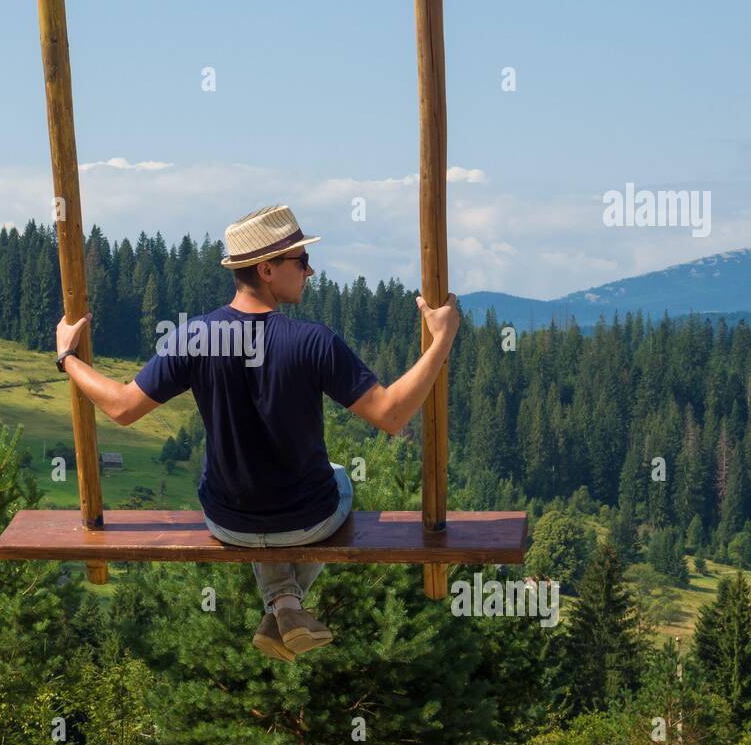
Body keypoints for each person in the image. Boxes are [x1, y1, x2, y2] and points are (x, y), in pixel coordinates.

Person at [54, 204, 460, 661]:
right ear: (267, 269)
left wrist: (67, 358)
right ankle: (286, 602)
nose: (310, 270)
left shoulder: (196, 337)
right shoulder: (313, 341)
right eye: (299, 261)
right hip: (310, 523)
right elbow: (391, 415)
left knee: (251, 492)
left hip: (229, 523)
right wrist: (442, 339)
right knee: (341, 477)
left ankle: (281, 606)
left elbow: (122, 407)